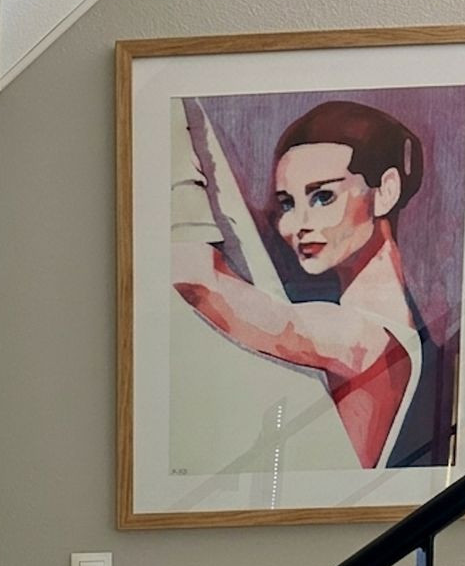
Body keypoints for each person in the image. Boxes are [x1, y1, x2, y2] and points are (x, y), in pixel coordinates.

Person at [172, 99, 448, 470]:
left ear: (386, 190)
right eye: (287, 204)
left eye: (322, 197)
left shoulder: (361, 339)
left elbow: (199, 283)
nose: (296, 224)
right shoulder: (396, 334)